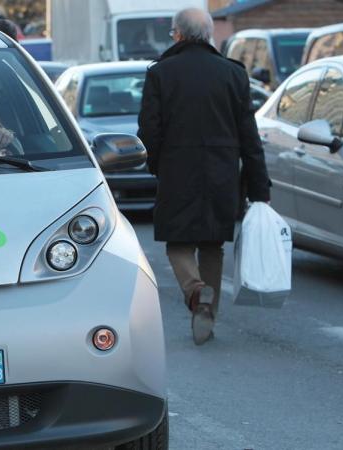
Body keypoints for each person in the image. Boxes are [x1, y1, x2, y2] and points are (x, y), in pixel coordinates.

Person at [138, 8, 270, 345]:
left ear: (178, 35)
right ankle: (206, 317)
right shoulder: (233, 74)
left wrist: (156, 164)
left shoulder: (161, 74)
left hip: (177, 171)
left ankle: (196, 291)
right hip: (222, 173)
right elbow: (249, 136)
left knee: (179, 244)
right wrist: (259, 188)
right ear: (209, 35)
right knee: (213, 245)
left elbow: (148, 131)